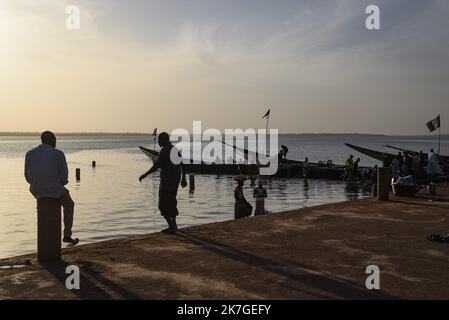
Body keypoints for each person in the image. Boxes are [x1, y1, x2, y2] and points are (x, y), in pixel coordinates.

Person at [24, 131, 79, 245]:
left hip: (36, 190)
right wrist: (57, 184)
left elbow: (27, 177)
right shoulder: (58, 154)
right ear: (52, 141)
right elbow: (64, 178)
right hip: (54, 191)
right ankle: (67, 234)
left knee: (43, 202)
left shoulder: (29, 154)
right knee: (69, 205)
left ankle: (43, 215)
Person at [139, 132, 187, 233]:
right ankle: (174, 225)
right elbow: (182, 164)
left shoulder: (164, 151)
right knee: (172, 201)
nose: (158, 142)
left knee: (162, 205)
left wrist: (145, 174)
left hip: (167, 182)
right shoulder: (174, 149)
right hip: (175, 180)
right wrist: (183, 178)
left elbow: (156, 166)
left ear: (164, 140)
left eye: (160, 140)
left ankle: (171, 226)